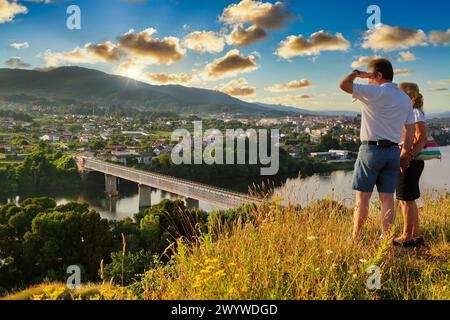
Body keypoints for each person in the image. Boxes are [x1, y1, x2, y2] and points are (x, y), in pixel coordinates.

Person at [339, 58, 416, 240]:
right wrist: (405, 152)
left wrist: (356, 74)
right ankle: (386, 240)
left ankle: (356, 238)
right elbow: (411, 129)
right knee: (387, 199)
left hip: (371, 151)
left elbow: (343, 85)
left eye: (370, 77)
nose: (368, 81)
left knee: (362, 199)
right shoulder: (404, 98)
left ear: (378, 75)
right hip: (393, 152)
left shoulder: (375, 92)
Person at [394, 83, 428, 247]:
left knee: (405, 199)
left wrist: (408, 155)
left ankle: (406, 236)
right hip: (411, 158)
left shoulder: (414, 112)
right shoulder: (412, 112)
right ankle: (416, 235)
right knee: (407, 199)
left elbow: (422, 138)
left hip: (410, 159)